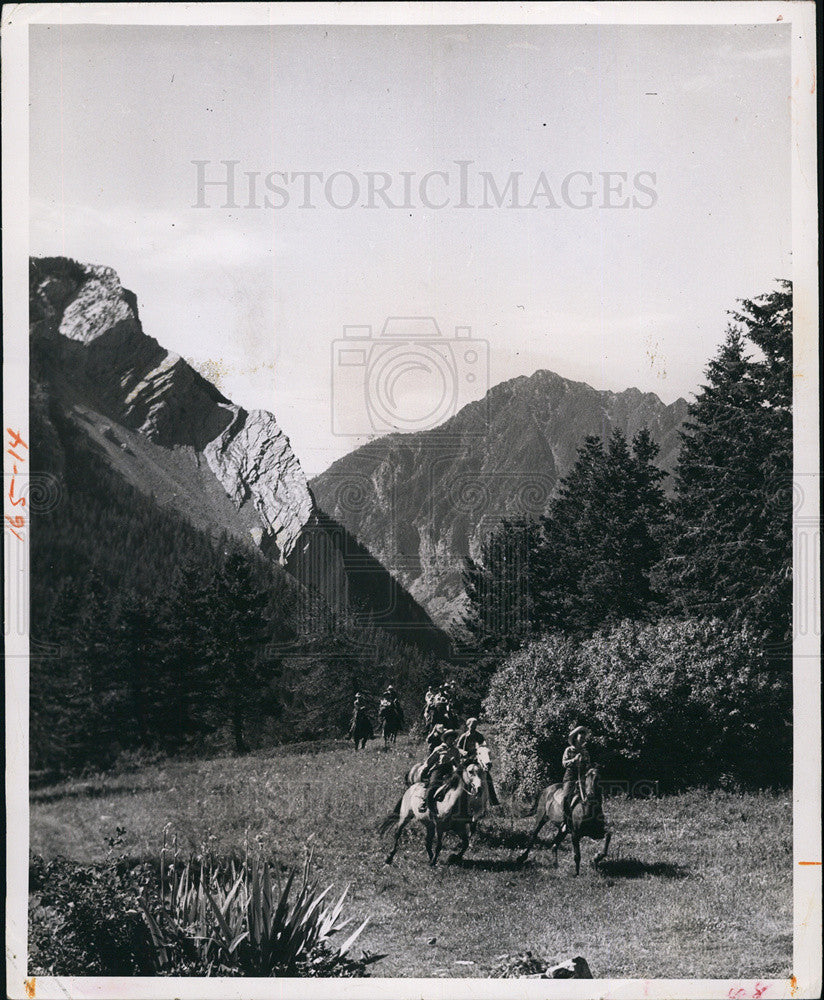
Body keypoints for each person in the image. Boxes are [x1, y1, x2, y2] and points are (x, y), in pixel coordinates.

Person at [457, 718, 500, 806]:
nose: (473, 727)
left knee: (487, 777)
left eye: (475, 725)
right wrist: (462, 752)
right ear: (468, 725)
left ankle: (493, 801)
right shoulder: (464, 736)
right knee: (459, 775)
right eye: (472, 725)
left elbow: (483, 745)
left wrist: (481, 748)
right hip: (466, 759)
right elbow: (458, 747)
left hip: (476, 758)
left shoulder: (479, 736)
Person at [421, 729, 462, 814]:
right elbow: (430, 761)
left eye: (453, 739)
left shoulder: (455, 751)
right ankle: (425, 803)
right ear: (446, 739)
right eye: (450, 739)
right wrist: (424, 771)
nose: (452, 741)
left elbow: (458, 764)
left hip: (450, 770)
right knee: (433, 786)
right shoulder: (439, 749)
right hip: (438, 770)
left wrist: (455, 762)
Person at [561, 725, 591, 822]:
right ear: (576, 738)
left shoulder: (585, 752)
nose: (582, 740)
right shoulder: (569, 750)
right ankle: (565, 821)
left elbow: (588, 765)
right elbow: (564, 763)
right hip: (570, 777)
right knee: (566, 796)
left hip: (582, 777)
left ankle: (590, 819)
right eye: (580, 738)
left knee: (592, 795)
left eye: (584, 738)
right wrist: (574, 760)